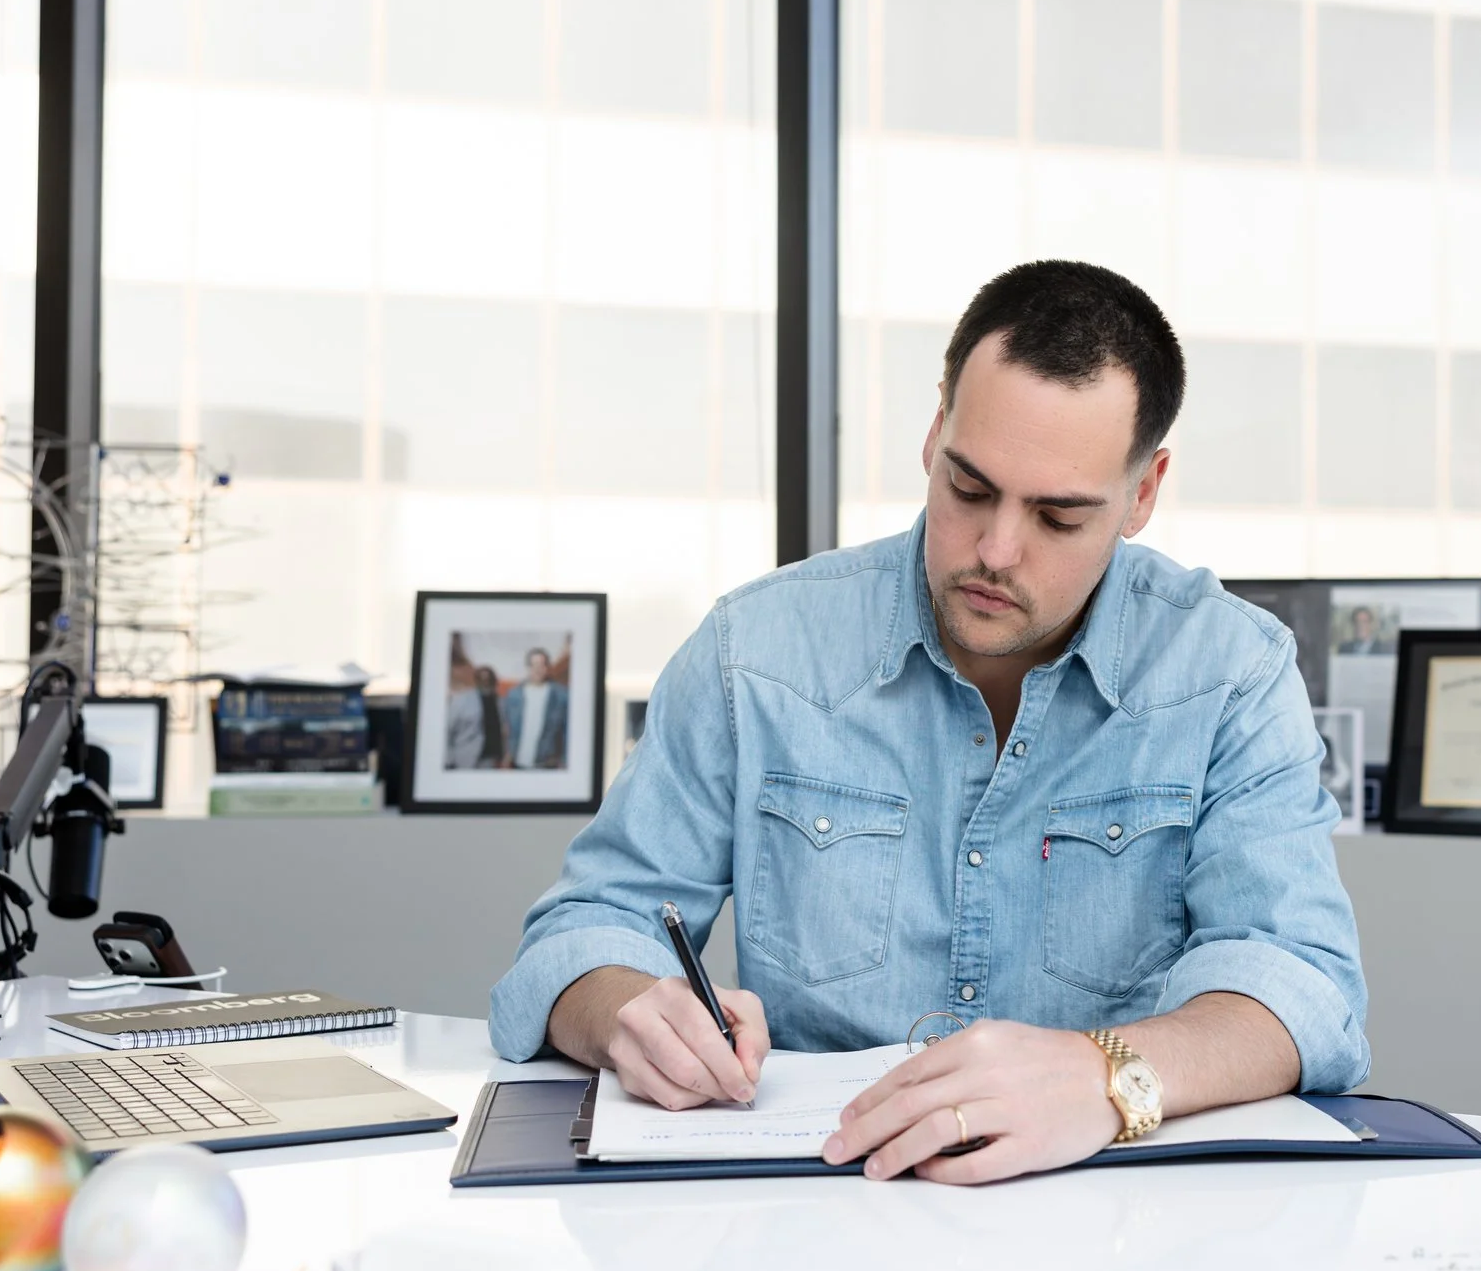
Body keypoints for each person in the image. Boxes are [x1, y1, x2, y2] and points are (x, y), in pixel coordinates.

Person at [492, 260, 1367, 1186]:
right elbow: (585, 931)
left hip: (1110, 1229)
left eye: (1059, 517)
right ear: (935, 427)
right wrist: (636, 1010)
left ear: (1144, 492)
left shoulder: (1230, 671)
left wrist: (1106, 1077)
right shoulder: (755, 651)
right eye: (970, 488)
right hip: (811, 1216)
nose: (995, 550)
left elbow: (1299, 985)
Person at [503, 649, 568, 771]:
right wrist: (508, 756)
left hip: (547, 764)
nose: (537, 669)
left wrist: (563, 761)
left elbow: (566, 731)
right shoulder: (514, 694)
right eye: (534, 665)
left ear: (548, 667)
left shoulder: (561, 695)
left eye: (542, 665)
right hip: (518, 763)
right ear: (528, 667)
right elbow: (507, 728)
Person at [446, 664, 507, 771]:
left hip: (490, 760)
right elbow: (447, 730)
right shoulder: (462, 700)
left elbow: (503, 730)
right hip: (464, 759)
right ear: (476, 680)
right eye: (482, 678)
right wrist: (449, 758)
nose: (486, 681)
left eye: (489, 678)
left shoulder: (501, 702)